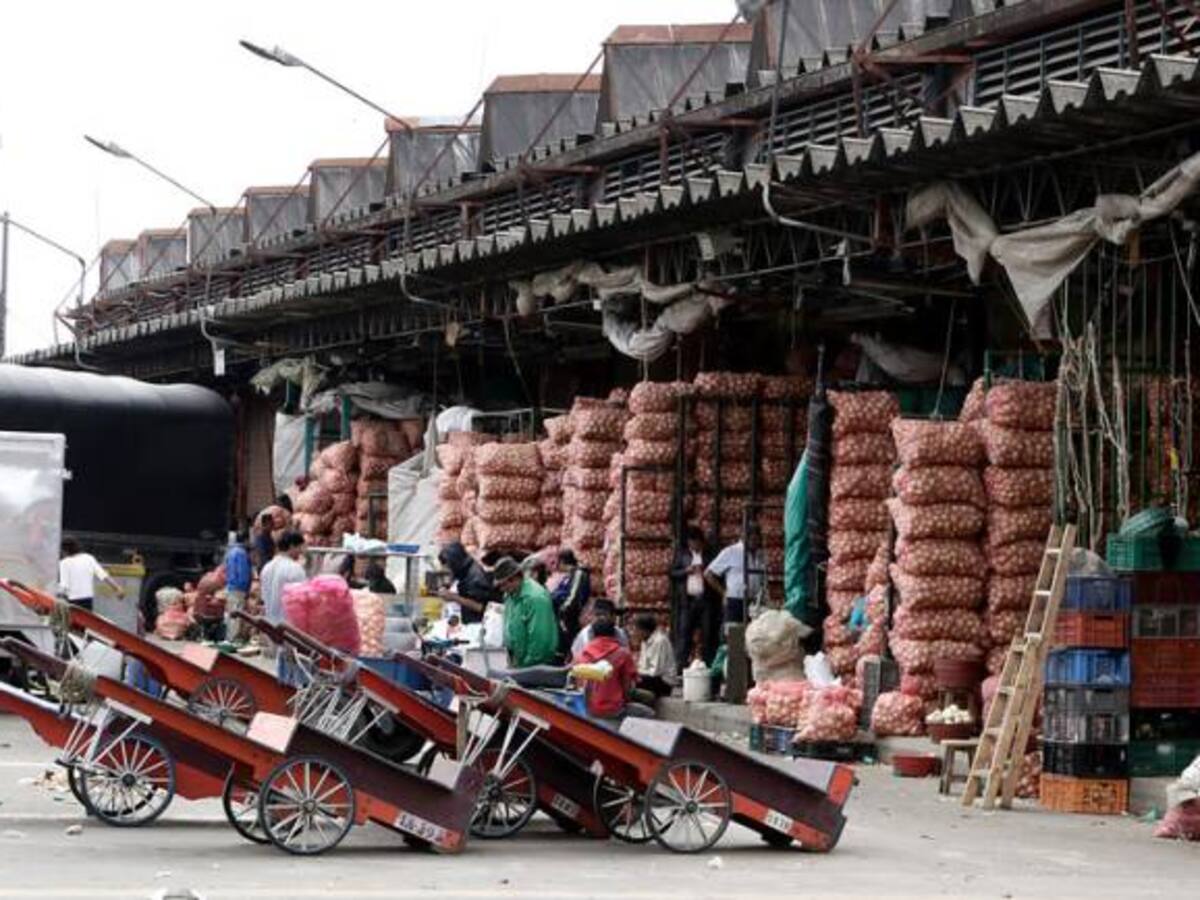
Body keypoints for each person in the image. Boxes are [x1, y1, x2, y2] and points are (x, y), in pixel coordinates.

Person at [493, 556, 559, 668]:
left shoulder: (535, 598)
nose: (502, 589)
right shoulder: (511, 595)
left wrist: (526, 667)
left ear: (515, 579)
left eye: (503, 585)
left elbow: (540, 640)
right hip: (518, 661)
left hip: (535, 666)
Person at [574, 615, 638, 721]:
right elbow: (627, 685)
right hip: (614, 709)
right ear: (615, 634)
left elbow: (579, 682)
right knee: (648, 711)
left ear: (593, 634)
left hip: (588, 709)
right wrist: (626, 701)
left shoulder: (584, 652)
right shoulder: (623, 654)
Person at [670, 526, 715, 669]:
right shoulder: (683, 555)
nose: (694, 546)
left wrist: (705, 570)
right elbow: (672, 573)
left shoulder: (708, 555)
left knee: (708, 634)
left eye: (696, 543)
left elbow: (717, 573)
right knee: (684, 634)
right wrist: (686, 571)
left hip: (705, 600)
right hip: (688, 601)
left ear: (701, 542)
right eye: (691, 543)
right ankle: (681, 665)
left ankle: (708, 664)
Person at [705, 524, 765, 628]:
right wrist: (723, 593)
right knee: (736, 637)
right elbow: (708, 574)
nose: (755, 542)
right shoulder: (731, 551)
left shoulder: (759, 554)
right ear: (744, 537)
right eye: (752, 538)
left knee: (754, 635)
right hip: (735, 601)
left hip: (754, 602)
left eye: (757, 539)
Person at [437, 541, 500, 624]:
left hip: (483, 623)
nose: (446, 569)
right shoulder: (465, 572)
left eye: (447, 565)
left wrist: (454, 597)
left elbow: (484, 608)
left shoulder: (476, 577)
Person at [58, 538, 125, 611]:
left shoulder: (64, 563)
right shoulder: (89, 558)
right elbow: (103, 575)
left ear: (64, 550)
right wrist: (117, 588)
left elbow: (64, 585)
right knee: (86, 621)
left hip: (72, 600)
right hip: (87, 599)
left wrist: (57, 597)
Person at [259, 530, 307, 626]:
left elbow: (264, 597)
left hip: (269, 623)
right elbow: (302, 599)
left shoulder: (266, 567)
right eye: (300, 547)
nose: (302, 551)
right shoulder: (295, 568)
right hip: (288, 626)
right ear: (292, 546)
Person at [550, 549, 591, 659]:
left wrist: (563, 610)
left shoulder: (579, 574)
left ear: (562, 561)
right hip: (564, 617)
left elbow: (574, 596)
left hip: (569, 617)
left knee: (569, 643)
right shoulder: (569, 576)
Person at [633, 613, 675, 699]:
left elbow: (656, 671)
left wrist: (637, 675)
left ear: (645, 630)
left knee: (633, 682)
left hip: (663, 682)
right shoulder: (644, 641)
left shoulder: (659, 641)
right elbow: (642, 665)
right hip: (650, 677)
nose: (635, 633)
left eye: (637, 630)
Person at [223, 532, 253, 643]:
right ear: (245, 540)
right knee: (236, 613)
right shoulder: (241, 553)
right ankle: (233, 638)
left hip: (230, 586)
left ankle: (229, 637)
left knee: (231, 612)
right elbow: (243, 573)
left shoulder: (230, 552)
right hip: (238, 587)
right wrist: (246, 588)